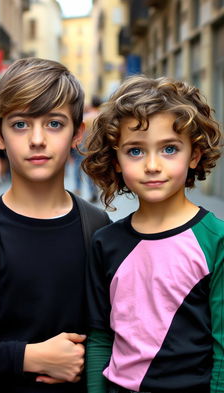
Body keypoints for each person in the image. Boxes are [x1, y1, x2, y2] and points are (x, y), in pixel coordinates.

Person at [0, 57, 110, 392]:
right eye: (20, 124)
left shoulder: (99, 228)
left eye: (54, 124)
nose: (36, 139)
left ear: (77, 134)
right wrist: (27, 357)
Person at [82, 75, 224, 393]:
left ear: (195, 155)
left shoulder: (215, 239)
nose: (152, 165)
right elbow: (101, 338)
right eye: (135, 151)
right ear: (116, 160)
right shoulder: (105, 242)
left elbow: (222, 349)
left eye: (170, 149)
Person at [72, 96, 102, 203]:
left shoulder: (86, 117)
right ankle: (94, 192)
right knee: (91, 171)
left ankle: (78, 189)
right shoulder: (101, 117)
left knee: (77, 167)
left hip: (82, 145)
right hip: (95, 147)